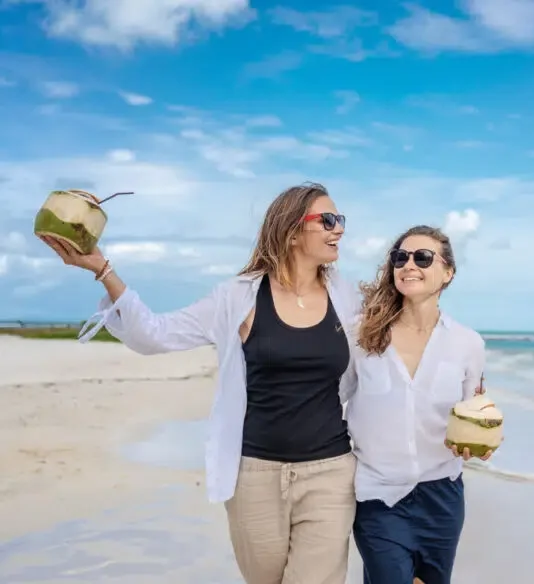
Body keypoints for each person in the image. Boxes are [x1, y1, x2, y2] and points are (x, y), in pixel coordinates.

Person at [37, 183, 360, 584]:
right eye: (327, 220)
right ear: (292, 231)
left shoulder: (348, 300)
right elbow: (156, 334)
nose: (338, 228)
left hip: (330, 472)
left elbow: (392, 353)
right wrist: (104, 270)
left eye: (339, 220)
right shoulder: (237, 297)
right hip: (254, 475)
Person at [342, 224, 492, 584]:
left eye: (422, 258)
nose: (409, 265)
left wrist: (481, 443)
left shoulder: (468, 343)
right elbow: (331, 399)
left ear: (448, 273)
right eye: (400, 258)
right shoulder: (360, 334)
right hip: (378, 494)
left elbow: (473, 412)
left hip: (442, 497)